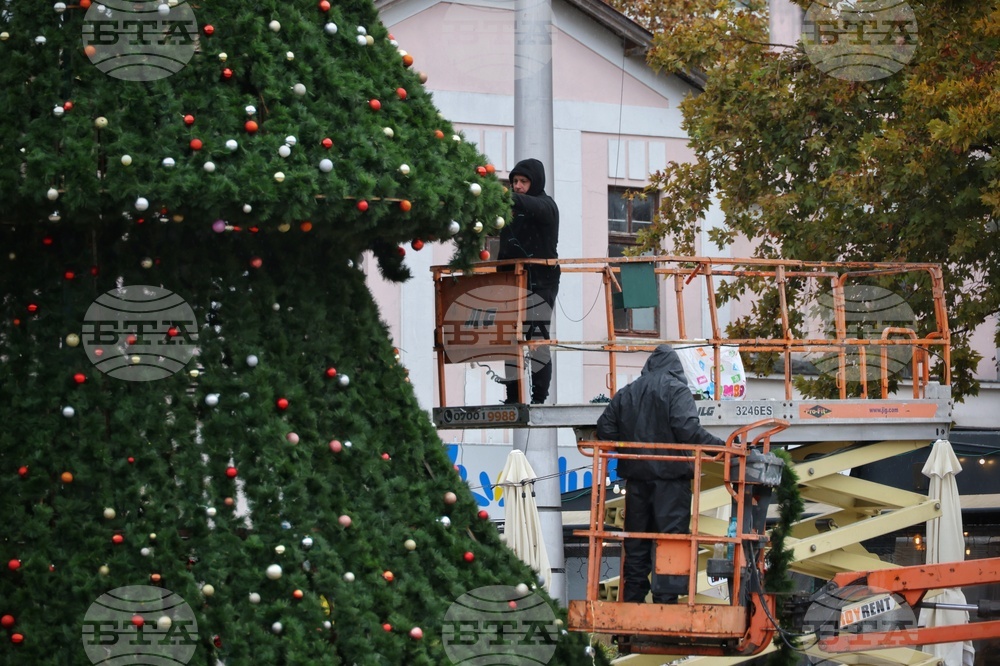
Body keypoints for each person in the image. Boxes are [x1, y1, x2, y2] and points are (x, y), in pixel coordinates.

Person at [596, 344, 725, 604]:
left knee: (636, 542)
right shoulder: (677, 390)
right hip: (672, 481)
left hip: (636, 482)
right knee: (671, 541)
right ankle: (665, 603)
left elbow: (604, 431)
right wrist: (722, 449)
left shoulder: (626, 393)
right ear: (676, 368)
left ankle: (632, 602)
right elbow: (687, 430)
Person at [498, 158, 560, 404]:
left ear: (535, 183)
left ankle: (539, 397)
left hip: (540, 282)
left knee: (537, 339)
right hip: (512, 281)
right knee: (509, 340)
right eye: (514, 181)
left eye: (523, 181)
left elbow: (529, 204)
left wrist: (501, 195)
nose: (518, 186)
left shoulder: (546, 206)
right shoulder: (512, 212)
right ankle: (513, 397)